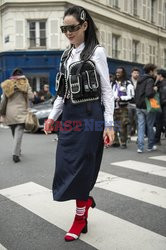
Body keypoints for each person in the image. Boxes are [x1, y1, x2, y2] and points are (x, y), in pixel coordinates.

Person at [44, 5, 114, 242]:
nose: (68, 33)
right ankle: (85, 201)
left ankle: (80, 217)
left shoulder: (97, 52)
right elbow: (62, 93)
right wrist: (53, 117)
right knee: (65, 166)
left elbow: (106, 91)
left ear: (84, 25)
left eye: (72, 28)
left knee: (83, 169)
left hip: (90, 116)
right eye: (64, 28)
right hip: (70, 118)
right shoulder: (65, 55)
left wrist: (109, 125)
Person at [0, 68, 34, 162]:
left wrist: (1, 112)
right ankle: (15, 153)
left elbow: (3, 101)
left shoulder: (8, 84)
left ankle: (17, 150)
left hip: (10, 113)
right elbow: (31, 97)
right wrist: (27, 91)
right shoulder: (25, 84)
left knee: (14, 132)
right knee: (19, 132)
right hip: (21, 112)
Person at [135, 63, 157, 153]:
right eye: (154, 71)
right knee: (150, 126)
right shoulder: (150, 80)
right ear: (151, 71)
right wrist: (154, 90)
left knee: (141, 127)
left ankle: (140, 147)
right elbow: (149, 94)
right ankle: (150, 146)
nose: (155, 73)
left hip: (139, 106)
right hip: (147, 106)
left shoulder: (139, 79)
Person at [111, 66, 134, 148]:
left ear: (123, 73)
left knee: (123, 125)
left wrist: (121, 98)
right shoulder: (113, 83)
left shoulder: (127, 83)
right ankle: (115, 141)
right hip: (113, 107)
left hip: (123, 107)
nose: (117, 74)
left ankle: (123, 142)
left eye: (119, 72)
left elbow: (131, 96)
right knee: (113, 124)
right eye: (116, 72)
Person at [127, 68, 140, 138]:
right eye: (135, 73)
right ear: (131, 73)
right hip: (129, 103)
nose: (136, 74)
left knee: (137, 120)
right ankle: (128, 134)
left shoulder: (140, 82)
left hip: (137, 104)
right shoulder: (128, 82)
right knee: (129, 119)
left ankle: (137, 134)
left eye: (137, 73)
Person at [155, 69, 166, 144]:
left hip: (163, 105)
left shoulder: (163, 84)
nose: (156, 76)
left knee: (160, 122)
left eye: (157, 75)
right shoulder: (159, 83)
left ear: (160, 75)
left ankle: (157, 139)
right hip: (161, 105)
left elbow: (163, 96)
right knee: (159, 123)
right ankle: (157, 139)